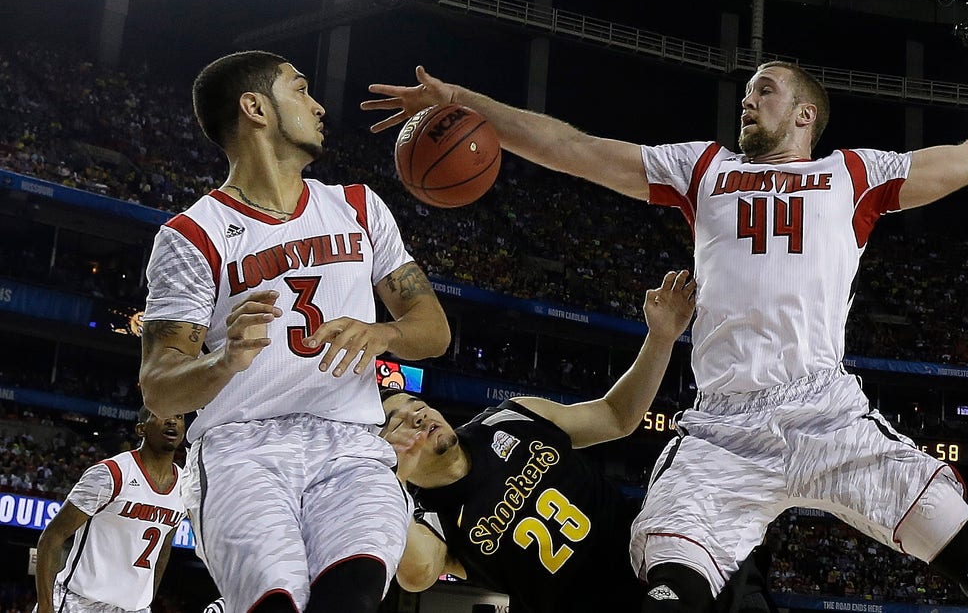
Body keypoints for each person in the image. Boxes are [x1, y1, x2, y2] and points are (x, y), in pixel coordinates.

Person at [361, 29, 968, 613]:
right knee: (668, 595)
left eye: (765, 91)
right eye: (746, 93)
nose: (748, 101)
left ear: (805, 113)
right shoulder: (702, 167)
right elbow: (575, 150)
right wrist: (466, 101)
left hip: (825, 412)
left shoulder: (855, 175)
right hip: (721, 433)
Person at [139, 51, 451, 613]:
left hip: (353, 443)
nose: (318, 104)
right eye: (301, 89)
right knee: (276, 603)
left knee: (349, 597)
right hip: (242, 447)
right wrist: (223, 361)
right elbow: (159, 388)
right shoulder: (192, 235)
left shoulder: (359, 207)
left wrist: (382, 335)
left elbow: (434, 331)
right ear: (255, 108)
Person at [385, 271, 695, 613]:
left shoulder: (510, 417)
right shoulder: (430, 516)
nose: (417, 416)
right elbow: (417, 575)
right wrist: (391, 479)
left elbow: (616, 416)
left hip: (657, 564)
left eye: (419, 405)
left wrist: (661, 339)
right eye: (397, 421)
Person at [34, 408, 186, 613]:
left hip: (134, 609)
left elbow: (163, 549)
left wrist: (145, 601)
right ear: (141, 429)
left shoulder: (185, 485)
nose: (172, 421)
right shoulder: (110, 474)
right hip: (80, 602)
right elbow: (52, 537)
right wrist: (45, 607)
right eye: (163, 414)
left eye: (179, 417)